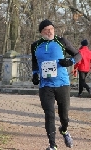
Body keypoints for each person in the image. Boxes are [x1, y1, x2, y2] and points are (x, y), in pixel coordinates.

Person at [31, 19, 82, 150]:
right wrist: (35, 74)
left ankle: (64, 130)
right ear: (41, 32)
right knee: (49, 114)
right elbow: (35, 62)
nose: (49, 32)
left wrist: (70, 61)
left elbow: (78, 55)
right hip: (45, 86)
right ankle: (52, 145)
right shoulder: (35, 45)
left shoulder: (61, 41)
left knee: (64, 116)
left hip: (62, 84)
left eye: (51, 29)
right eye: (46, 30)